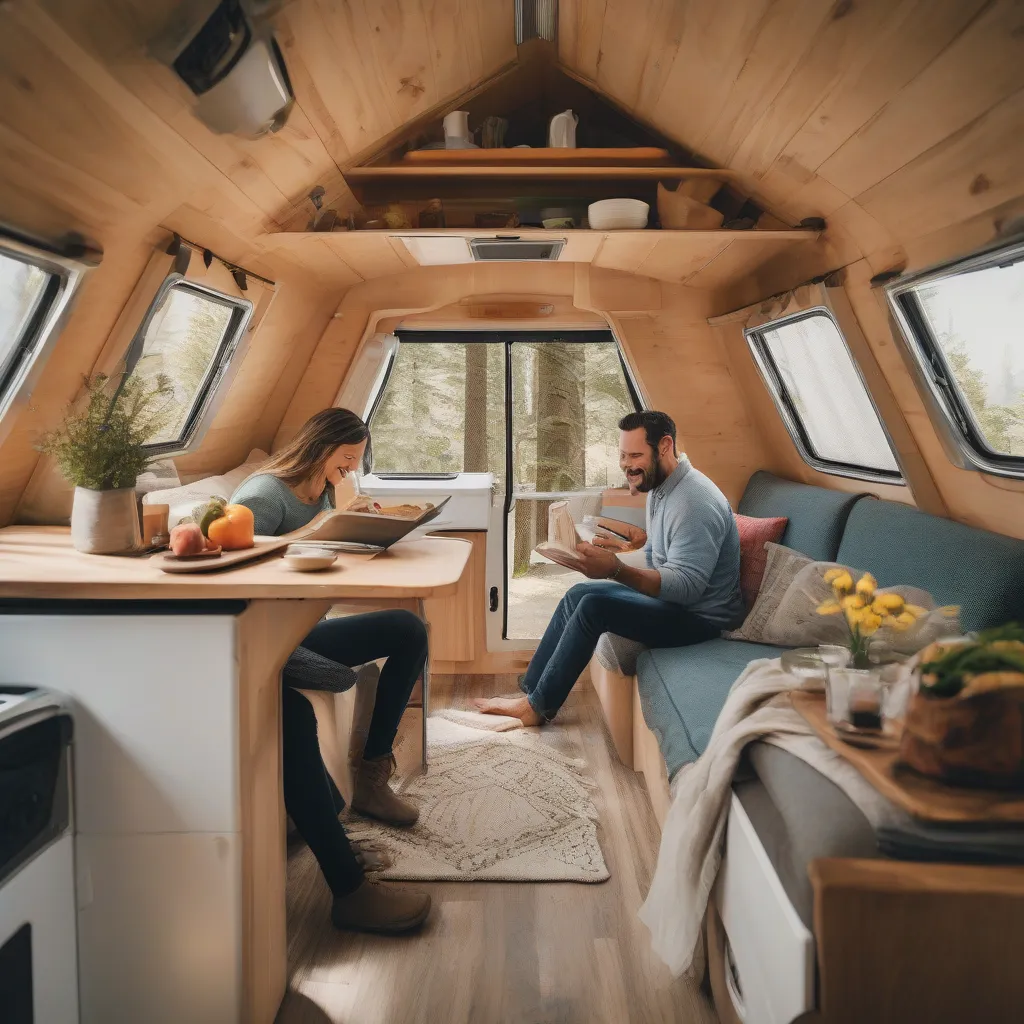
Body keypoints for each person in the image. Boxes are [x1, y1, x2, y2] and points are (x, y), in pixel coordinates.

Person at [231, 408, 431, 934]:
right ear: (321, 449)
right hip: (265, 637)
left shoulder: (318, 489)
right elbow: (237, 571)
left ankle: (372, 775)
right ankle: (347, 886)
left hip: (301, 629)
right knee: (296, 713)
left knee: (408, 630)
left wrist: (360, 527)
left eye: (353, 464)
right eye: (345, 461)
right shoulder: (262, 495)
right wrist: (322, 530)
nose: (347, 472)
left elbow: (320, 552)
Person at [475, 410, 744, 727]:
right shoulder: (664, 488)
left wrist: (615, 570)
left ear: (665, 446)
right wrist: (595, 558)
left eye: (635, 455)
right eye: (622, 455)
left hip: (703, 620)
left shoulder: (694, 502)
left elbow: (687, 587)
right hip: (677, 605)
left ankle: (536, 708)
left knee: (594, 607)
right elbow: (658, 560)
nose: (627, 465)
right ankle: (533, 688)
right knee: (578, 593)